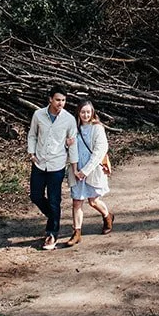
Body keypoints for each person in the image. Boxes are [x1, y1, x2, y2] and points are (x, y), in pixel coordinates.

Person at [26, 87, 77, 250]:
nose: (60, 103)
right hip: (40, 162)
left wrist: (74, 167)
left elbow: (72, 144)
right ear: (50, 99)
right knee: (36, 196)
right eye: (57, 100)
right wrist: (31, 153)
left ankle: (52, 234)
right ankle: (54, 217)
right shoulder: (38, 115)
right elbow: (32, 135)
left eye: (63, 100)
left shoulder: (69, 119)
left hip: (57, 164)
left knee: (54, 200)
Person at [65, 101, 113, 246]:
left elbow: (100, 151)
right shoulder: (74, 128)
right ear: (78, 113)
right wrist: (67, 144)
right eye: (82, 112)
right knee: (77, 201)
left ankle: (107, 216)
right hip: (76, 169)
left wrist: (85, 171)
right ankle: (77, 233)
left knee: (93, 201)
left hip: (92, 169)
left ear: (92, 113)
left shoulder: (97, 128)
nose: (85, 115)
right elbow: (69, 148)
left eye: (88, 112)